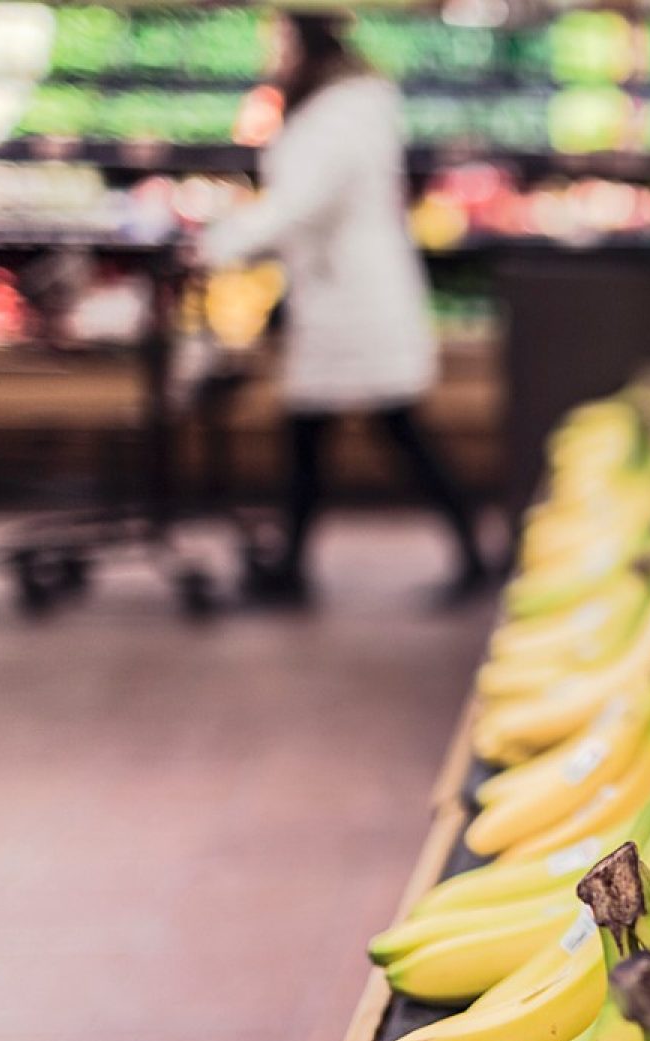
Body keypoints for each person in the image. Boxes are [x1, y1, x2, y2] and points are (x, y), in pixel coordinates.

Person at [198, 11, 490, 605]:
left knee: (389, 427)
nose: (273, 56)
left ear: (307, 45)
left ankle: (467, 553)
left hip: (353, 297)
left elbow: (302, 204)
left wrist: (221, 242)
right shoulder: (347, 107)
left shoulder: (340, 115)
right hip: (338, 292)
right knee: (317, 431)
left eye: (279, 43)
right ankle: (296, 565)